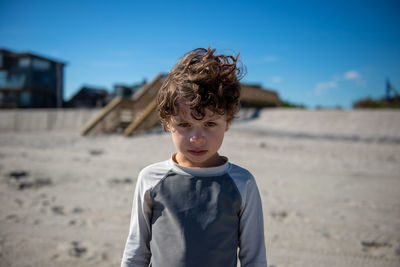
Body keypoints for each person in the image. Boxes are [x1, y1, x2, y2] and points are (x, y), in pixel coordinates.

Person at [121, 47, 267, 267]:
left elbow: (254, 258)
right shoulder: (150, 178)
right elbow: (136, 251)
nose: (197, 138)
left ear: (227, 122)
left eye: (210, 124)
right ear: (168, 122)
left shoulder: (242, 183)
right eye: (184, 125)